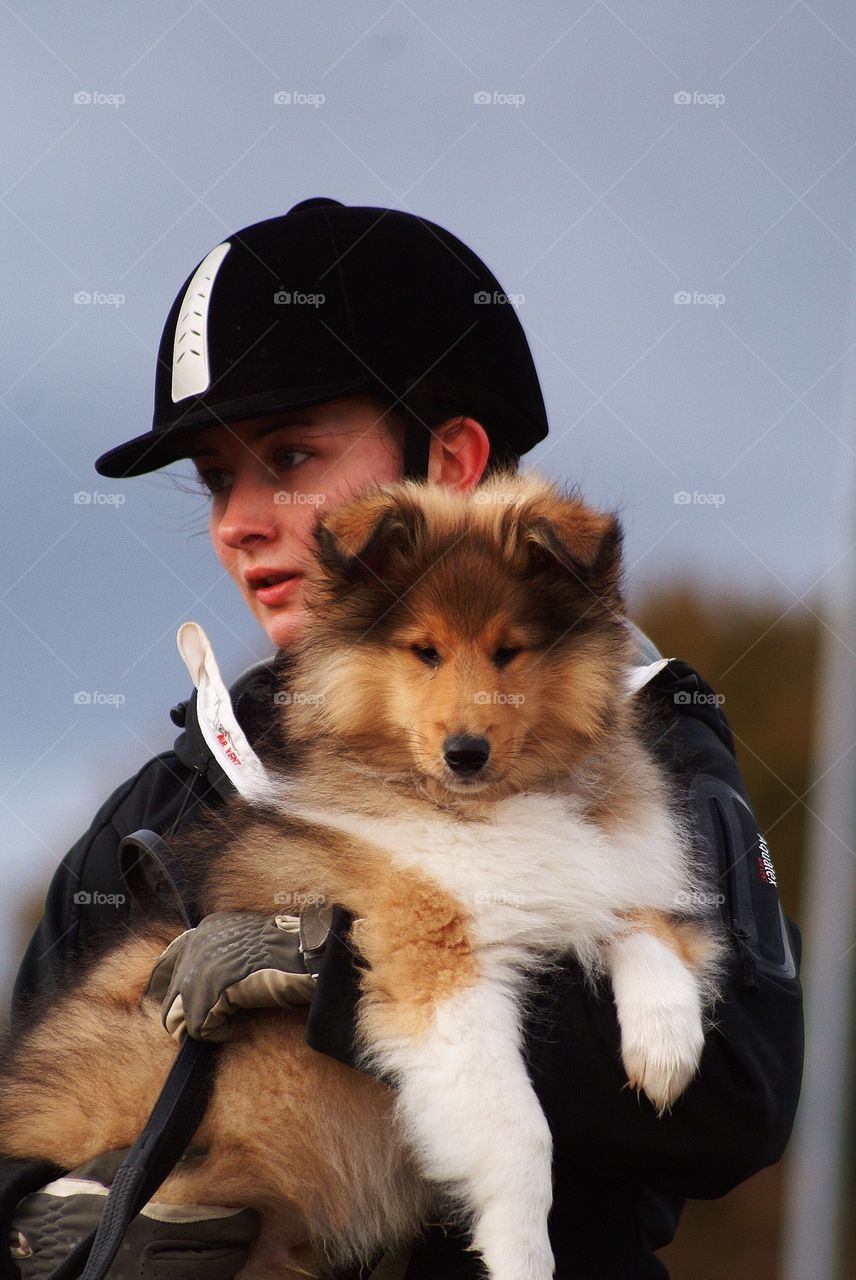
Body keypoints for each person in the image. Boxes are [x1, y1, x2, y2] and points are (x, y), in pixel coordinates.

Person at [1, 198, 804, 1280]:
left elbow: (739, 1094)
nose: (239, 517)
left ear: (453, 460)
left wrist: (348, 976)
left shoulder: (644, 741)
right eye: (216, 477)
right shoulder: (162, 805)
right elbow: (22, 1101)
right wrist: (51, 1229)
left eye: (288, 455)